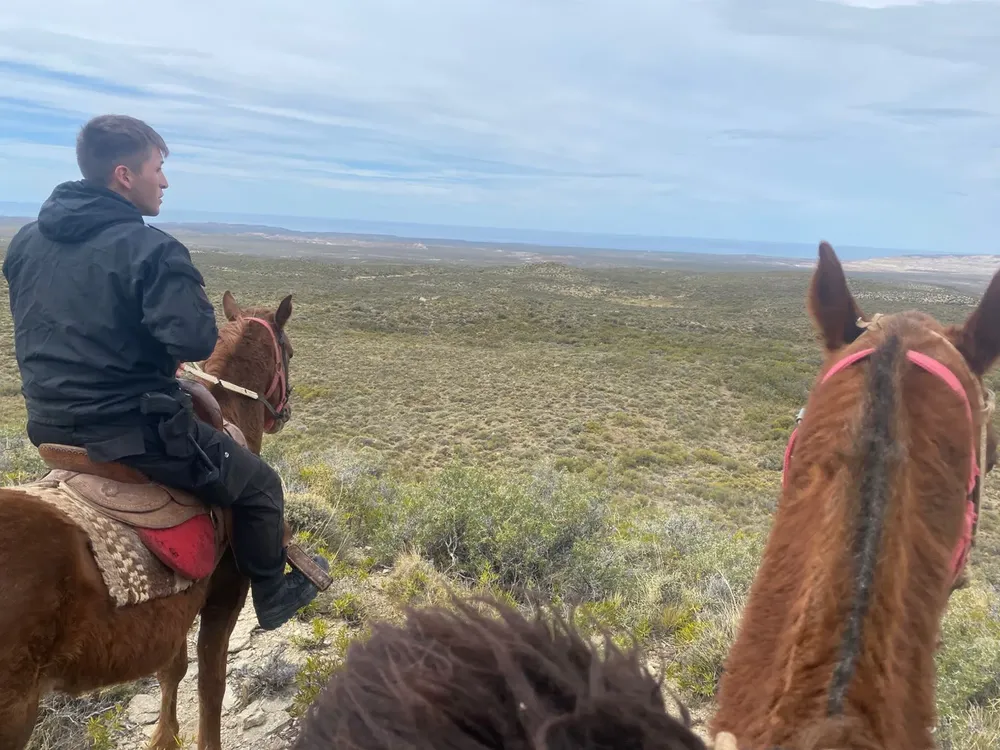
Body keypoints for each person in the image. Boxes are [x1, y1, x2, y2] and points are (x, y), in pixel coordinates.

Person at [2, 114, 324, 630]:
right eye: (159, 168)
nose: (166, 181)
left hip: (48, 426)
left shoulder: (25, 242)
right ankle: (273, 594)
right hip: (135, 434)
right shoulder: (152, 249)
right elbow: (195, 339)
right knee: (261, 484)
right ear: (125, 175)